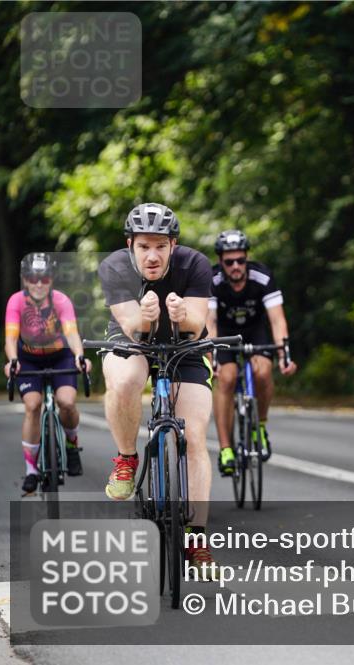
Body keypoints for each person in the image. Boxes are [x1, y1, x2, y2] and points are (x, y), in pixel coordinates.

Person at [96, 202, 218, 574]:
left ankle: (196, 540)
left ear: (173, 245)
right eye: (144, 246)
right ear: (130, 244)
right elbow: (132, 326)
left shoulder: (195, 264)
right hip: (133, 339)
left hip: (185, 346)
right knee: (124, 381)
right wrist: (146, 317)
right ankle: (126, 459)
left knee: (194, 435)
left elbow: (198, 325)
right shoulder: (115, 266)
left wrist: (183, 316)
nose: (152, 255)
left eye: (160, 246)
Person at [206, 230, 297, 476]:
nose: (236, 266)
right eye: (229, 262)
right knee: (226, 377)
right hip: (224, 333)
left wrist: (284, 355)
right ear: (221, 262)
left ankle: (260, 427)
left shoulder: (262, 276)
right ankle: (226, 449)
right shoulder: (212, 280)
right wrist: (212, 357)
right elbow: (210, 322)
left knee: (263, 372)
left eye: (240, 260)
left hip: (254, 330)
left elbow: (277, 321)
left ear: (246, 258)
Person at [3, 253, 91, 494]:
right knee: (33, 406)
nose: (38, 283)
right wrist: (12, 360)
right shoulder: (16, 302)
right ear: (25, 280)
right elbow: (10, 337)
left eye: (44, 278)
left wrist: (79, 356)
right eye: (32, 278)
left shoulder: (61, 300)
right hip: (28, 359)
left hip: (60, 355)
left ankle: (72, 445)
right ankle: (32, 470)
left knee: (67, 402)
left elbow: (72, 332)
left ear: (51, 280)